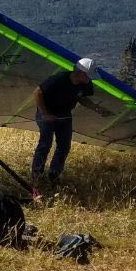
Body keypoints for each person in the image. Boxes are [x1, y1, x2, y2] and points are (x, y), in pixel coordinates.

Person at [31, 57, 108, 185]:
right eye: (89, 76)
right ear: (81, 73)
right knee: (45, 144)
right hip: (46, 114)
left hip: (64, 115)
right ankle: (36, 176)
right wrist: (45, 113)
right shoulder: (59, 79)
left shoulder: (86, 84)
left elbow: (82, 98)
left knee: (64, 146)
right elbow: (37, 92)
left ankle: (54, 175)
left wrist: (97, 108)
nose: (90, 79)